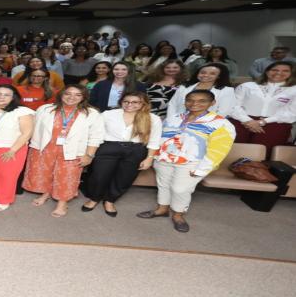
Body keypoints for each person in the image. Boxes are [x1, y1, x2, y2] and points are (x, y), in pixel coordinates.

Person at [137, 90, 235, 233]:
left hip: (193, 162)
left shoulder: (220, 123)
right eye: (190, 100)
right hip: (164, 158)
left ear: (212, 103)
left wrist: (204, 168)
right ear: (185, 101)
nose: (194, 104)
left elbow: (220, 149)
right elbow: (159, 137)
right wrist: (154, 156)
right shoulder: (174, 118)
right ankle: (162, 209)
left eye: (202, 101)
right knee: (163, 185)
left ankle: (178, 215)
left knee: (180, 189)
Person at [23, 85, 104, 218]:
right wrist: (34, 148)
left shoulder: (92, 114)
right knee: (46, 173)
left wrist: (89, 154)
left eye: (77, 95)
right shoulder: (45, 109)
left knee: (67, 177)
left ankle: (62, 203)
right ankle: (47, 193)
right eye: (68, 93)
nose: (72, 97)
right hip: (46, 148)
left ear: (83, 97)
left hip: (73, 151)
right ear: (61, 94)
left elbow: (96, 136)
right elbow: (35, 129)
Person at [82, 92, 162, 216]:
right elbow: (96, 133)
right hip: (108, 147)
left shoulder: (153, 119)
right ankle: (94, 198)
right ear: (121, 102)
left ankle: (110, 200)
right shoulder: (108, 114)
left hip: (136, 149)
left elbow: (154, 140)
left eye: (135, 102)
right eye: (126, 101)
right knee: (99, 175)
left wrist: (149, 158)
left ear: (143, 103)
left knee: (124, 178)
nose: (129, 104)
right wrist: (89, 153)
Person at [230, 61, 296, 156]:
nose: (278, 73)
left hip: (275, 124)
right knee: (235, 151)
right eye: (274, 70)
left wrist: (263, 122)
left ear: (291, 73)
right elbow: (233, 106)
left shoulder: (294, 89)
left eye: (285, 71)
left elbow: (292, 113)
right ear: (267, 71)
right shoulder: (247, 86)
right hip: (242, 121)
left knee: (264, 154)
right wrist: (248, 120)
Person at [166, 63, 236, 117]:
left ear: (218, 76)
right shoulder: (184, 86)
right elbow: (172, 104)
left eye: (212, 74)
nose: (205, 75)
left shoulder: (227, 90)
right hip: (178, 120)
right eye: (203, 72)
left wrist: (202, 124)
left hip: (208, 125)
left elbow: (224, 111)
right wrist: (171, 119)